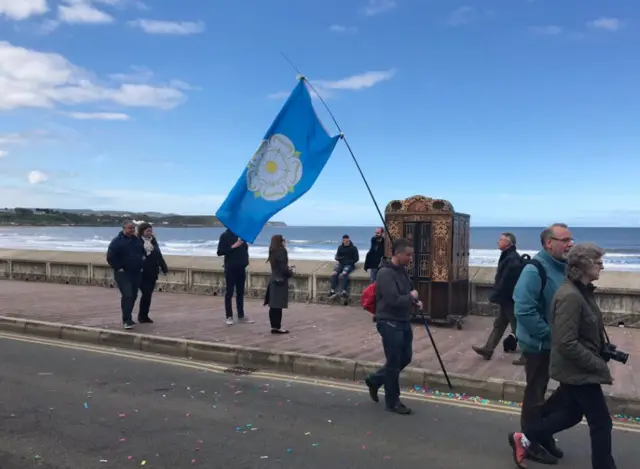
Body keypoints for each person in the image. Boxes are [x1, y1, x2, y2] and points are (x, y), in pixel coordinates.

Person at [509, 243, 617, 469]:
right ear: (584, 265)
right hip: (578, 369)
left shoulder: (582, 292)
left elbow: (582, 331)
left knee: (571, 414)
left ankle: (525, 438)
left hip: (578, 366)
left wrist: (602, 347)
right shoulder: (570, 296)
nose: (602, 266)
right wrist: (596, 363)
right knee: (601, 423)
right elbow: (566, 342)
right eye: (598, 262)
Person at [512, 223, 574, 464]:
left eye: (571, 239)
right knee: (535, 394)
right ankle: (530, 442)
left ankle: (542, 431)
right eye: (565, 239)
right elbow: (524, 310)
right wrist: (550, 335)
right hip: (539, 346)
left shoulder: (564, 268)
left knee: (567, 391)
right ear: (549, 243)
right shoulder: (534, 269)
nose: (571, 243)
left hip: (560, 344)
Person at [364, 238, 421, 415]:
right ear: (398, 254)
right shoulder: (385, 273)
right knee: (394, 362)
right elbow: (393, 300)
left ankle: (374, 379)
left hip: (403, 320)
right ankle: (392, 402)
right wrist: (411, 297)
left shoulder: (402, 271)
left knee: (405, 358)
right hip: (389, 321)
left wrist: (415, 302)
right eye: (408, 255)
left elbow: (405, 294)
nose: (410, 258)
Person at [472, 232, 520, 360]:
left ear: (509, 243)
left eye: (501, 239)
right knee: (499, 325)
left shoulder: (512, 258)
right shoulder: (507, 256)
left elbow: (506, 280)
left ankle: (528, 356)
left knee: (518, 328)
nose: (498, 241)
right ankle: (488, 350)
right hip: (506, 299)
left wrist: (496, 294)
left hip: (510, 299)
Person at [106, 221, 145, 330]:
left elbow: (142, 253)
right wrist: (119, 267)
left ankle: (128, 316)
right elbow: (110, 257)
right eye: (129, 228)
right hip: (123, 273)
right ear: (124, 228)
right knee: (127, 295)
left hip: (136, 272)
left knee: (134, 295)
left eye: (133, 228)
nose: (132, 230)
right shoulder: (117, 241)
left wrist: (142, 262)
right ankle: (126, 320)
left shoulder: (137, 241)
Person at [217, 228, 253, 326]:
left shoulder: (241, 235)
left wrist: (246, 259)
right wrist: (234, 246)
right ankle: (229, 316)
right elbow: (220, 252)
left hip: (241, 267)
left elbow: (244, 249)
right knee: (229, 292)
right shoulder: (225, 235)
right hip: (230, 267)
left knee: (240, 292)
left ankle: (241, 315)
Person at [136, 223, 168, 324]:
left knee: (148, 295)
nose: (149, 233)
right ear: (142, 231)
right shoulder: (137, 242)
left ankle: (144, 315)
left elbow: (159, 255)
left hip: (152, 271)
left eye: (150, 231)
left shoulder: (153, 242)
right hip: (141, 272)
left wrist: (164, 268)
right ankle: (135, 316)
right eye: (147, 231)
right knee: (144, 293)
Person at [264, 235, 294, 334]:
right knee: (278, 306)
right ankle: (277, 327)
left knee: (273, 306)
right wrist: (290, 271)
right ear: (280, 242)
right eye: (283, 240)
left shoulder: (272, 251)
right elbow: (283, 268)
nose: (285, 242)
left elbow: (277, 266)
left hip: (273, 280)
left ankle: (274, 326)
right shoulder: (282, 251)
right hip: (280, 281)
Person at [328, 234, 360, 299]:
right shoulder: (340, 247)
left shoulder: (353, 248)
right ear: (343, 241)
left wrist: (348, 262)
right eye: (346, 241)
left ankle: (344, 292)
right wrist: (337, 258)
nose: (347, 242)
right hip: (341, 264)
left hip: (349, 265)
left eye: (348, 241)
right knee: (334, 274)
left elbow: (356, 259)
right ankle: (332, 291)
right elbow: (337, 256)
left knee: (344, 274)